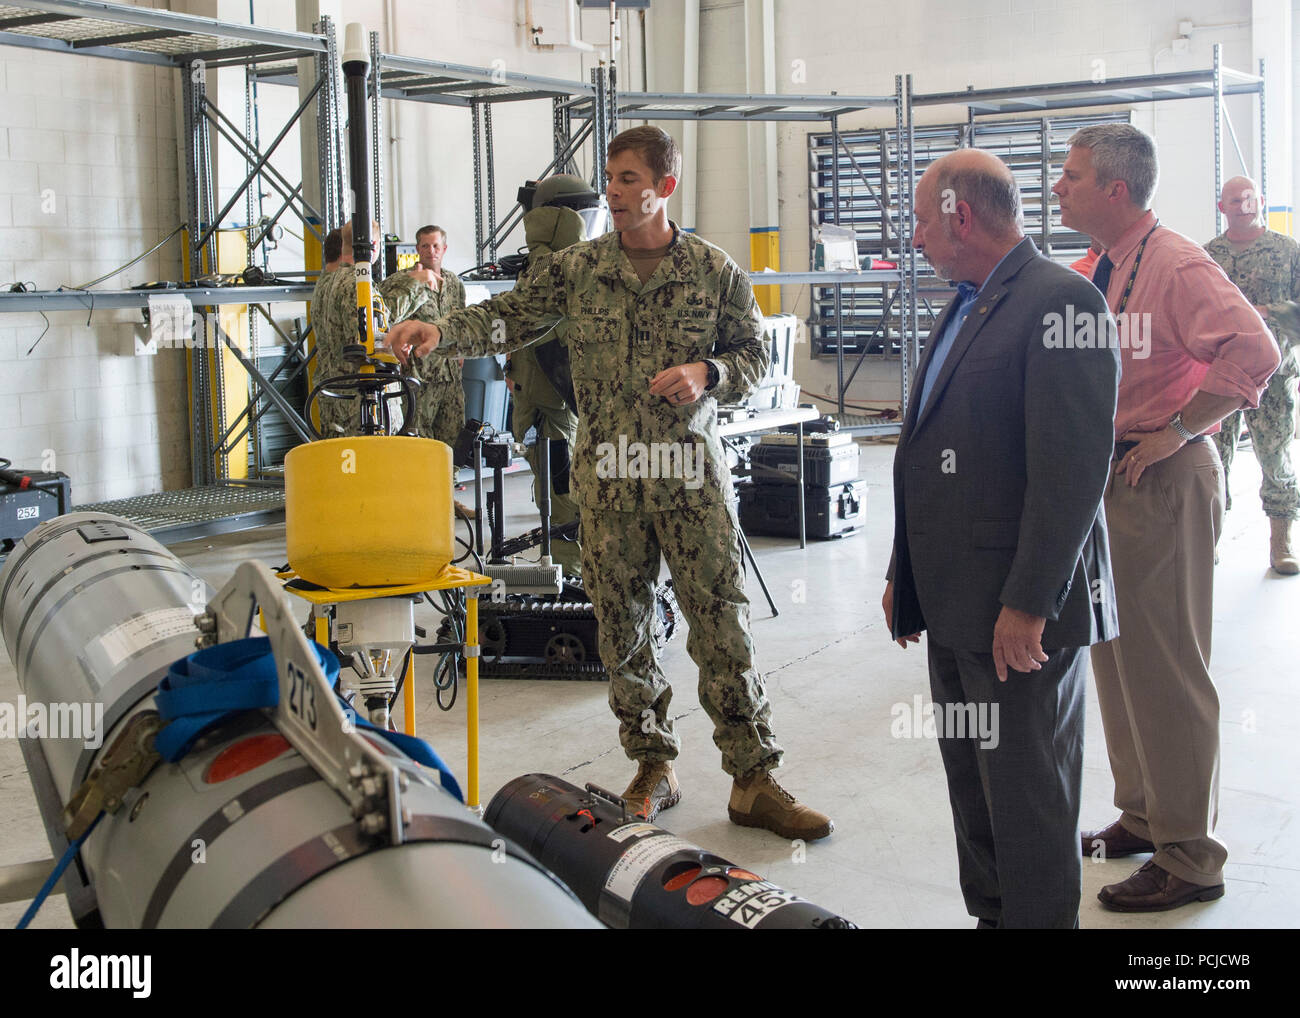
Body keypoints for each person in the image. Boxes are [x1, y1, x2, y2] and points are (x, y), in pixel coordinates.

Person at [386, 125, 833, 841]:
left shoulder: (713, 271)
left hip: (690, 479)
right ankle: (653, 764)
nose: (616, 193)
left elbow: (753, 357)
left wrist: (709, 373)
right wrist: (441, 332)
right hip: (611, 482)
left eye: (629, 179)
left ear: (666, 186)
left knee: (722, 626)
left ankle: (753, 779)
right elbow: (509, 314)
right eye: (612, 179)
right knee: (622, 632)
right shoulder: (578, 268)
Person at [882, 148, 1119, 928]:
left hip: (1015, 618)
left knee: (1027, 798)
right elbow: (926, 450)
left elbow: (1072, 473)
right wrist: (902, 570)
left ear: (960, 215)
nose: (914, 238)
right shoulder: (967, 298)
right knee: (973, 792)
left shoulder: (1064, 302)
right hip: (954, 608)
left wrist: (1029, 603)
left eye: (920, 221)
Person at [1052, 124, 1279, 912]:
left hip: (1163, 476)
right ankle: (1145, 815)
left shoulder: (1178, 264)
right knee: (1116, 655)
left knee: (1168, 666)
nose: (1059, 188)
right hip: (1110, 475)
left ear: (1115, 190)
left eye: (1072, 177)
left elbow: (1254, 352)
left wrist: (1181, 429)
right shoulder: (1105, 264)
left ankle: (1191, 855)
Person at [1205, 176, 1300, 574]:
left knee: (1275, 457)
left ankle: (1282, 542)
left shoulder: (1286, 250)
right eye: (1234, 200)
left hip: (1272, 375)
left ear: (1260, 201)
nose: (1243, 205)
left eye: (1249, 198)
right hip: (1219, 373)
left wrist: (1262, 313)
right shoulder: (1207, 255)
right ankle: (1207, 541)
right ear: (1222, 206)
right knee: (1213, 462)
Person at [504, 174, 598, 577]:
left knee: (560, 496)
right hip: (555, 415)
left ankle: (570, 575)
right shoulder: (557, 270)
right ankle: (573, 585)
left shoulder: (543, 266)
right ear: (564, 218)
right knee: (564, 500)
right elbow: (556, 344)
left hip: (550, 411)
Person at [311, 219, 390, 439]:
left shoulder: (327, 283)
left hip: (333, 392)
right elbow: (373, 343)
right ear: (373, 245)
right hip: (360, 402)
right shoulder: (360, 286)